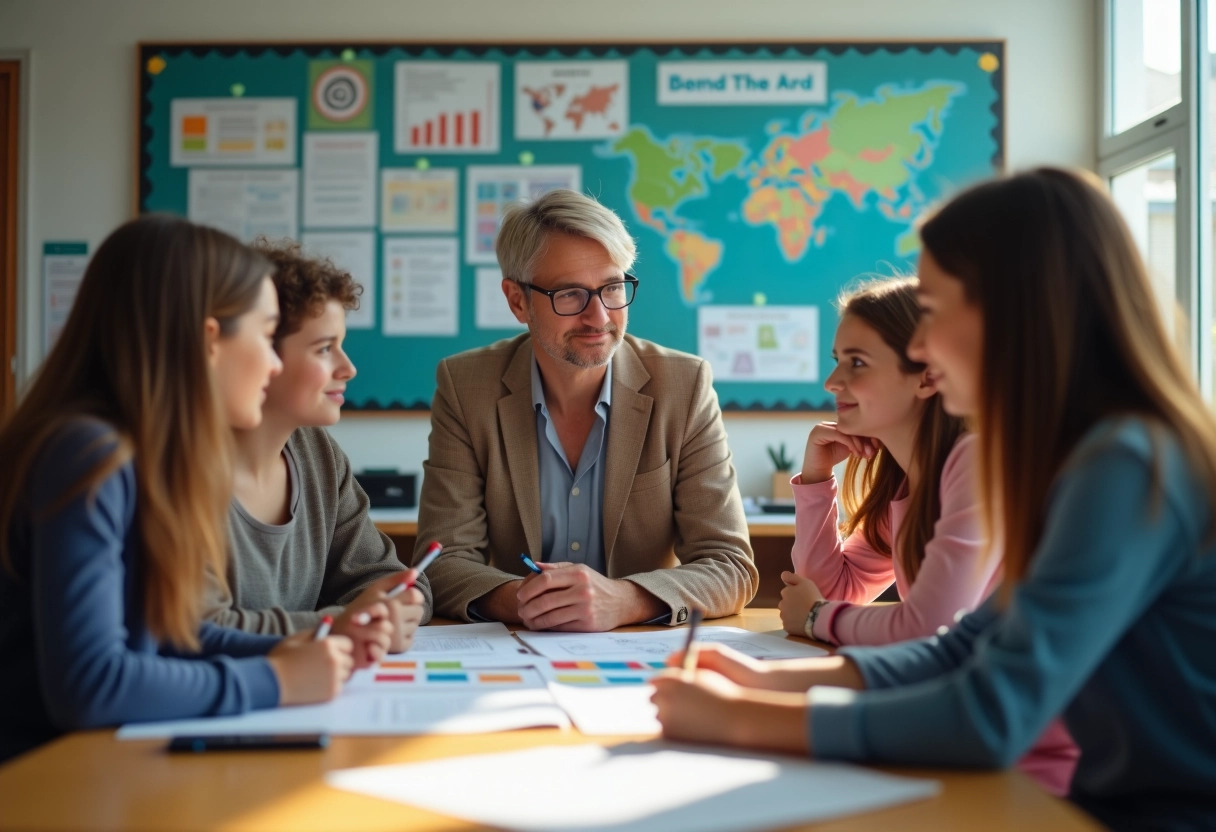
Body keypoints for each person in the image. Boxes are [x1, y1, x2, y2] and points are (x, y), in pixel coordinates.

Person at [651, 168, 1216, 831]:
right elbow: (961, 647)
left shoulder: (1125, 464)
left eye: (935, 312)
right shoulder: (1077, 458)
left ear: (1015, 311)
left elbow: (990, 713)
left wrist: (739, 719)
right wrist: (760, 680)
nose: (920, 347)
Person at [0, 216, 389, 764]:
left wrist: (294, 646)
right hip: (42, 777)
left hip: (104, 762)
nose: (274, 363)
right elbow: (89, 686)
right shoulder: (88, 453)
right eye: (265, 334)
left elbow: (169, 635)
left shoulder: (148, 455)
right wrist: (274, 679)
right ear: (210, 340)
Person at [778, 277, 1076, 795]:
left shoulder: (977, 458)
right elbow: (835, 588)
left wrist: (813, 617)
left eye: (857, 363)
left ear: (926, 376)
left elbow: (930, 627)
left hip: (1027, 748)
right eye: (836, 359)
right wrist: (814, 480)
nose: (832, 381)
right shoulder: (904, 478)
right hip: (973, 720)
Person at [417, 189, 757, 630]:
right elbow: (441, 563)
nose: (599, 317)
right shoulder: (466, 388)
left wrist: (625, 600)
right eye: (571, 294)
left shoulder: (684, 386)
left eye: (613, 288)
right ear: (518, 300)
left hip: (640, 655)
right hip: (520, 650)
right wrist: (530, 600)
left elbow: (730, 565)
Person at [205, 240, 430, 655]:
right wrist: (338, 623)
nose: (348, 368)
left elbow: (379, 575)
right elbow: (196, 630)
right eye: (324, 349)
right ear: (255, 349)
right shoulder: (184, 469)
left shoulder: (316, 452)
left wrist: (393, 608)